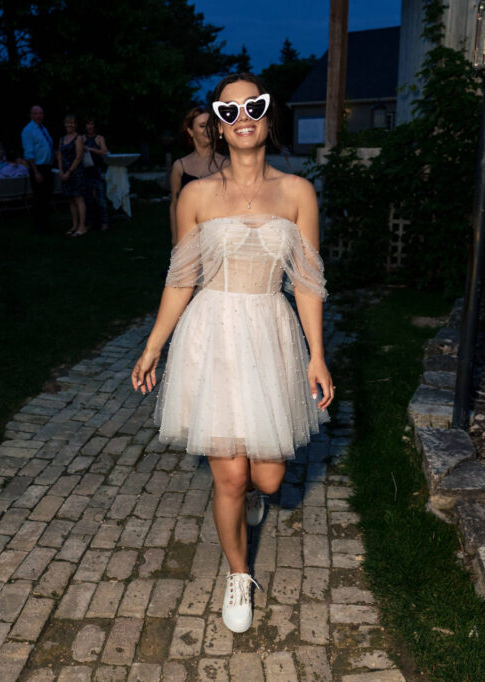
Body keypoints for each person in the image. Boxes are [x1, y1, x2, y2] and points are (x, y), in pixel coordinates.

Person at [130, 73, 334, 634]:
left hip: (269, 333)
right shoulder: (195, 196)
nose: (242, 117)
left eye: (253, 107)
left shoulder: (298, 192)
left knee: (266, 480)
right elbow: (181, 279)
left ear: (269, 116)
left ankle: (250, 498)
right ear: (218, 127)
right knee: (229, 476)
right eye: (228, 111)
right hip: (212, 335)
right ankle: (238, 574)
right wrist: (153, 346)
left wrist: (317, 355)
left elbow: (308, 283)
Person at [168, 106, 228, 245]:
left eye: (211, 125)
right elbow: (174, 205)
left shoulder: (225, 165)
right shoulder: (180, 166)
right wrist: (175, 239)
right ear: (190, 131)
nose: (208, 130)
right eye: (202, 126)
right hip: (188, 237)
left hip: (217, 239)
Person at [21, 105, 55, 233]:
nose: (39, 116)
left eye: (41, 113)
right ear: (31, 115)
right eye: (36, 113)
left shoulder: (43, 128)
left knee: (47, 197)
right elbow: (29, 153)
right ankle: (40, 226)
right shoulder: (28, 130)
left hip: (47, 167)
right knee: (39, 198)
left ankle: (46, 223)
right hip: (37, 168)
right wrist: (36, 172)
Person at [57, 114, 86, 236]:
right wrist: (61, 171)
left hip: (76, 172)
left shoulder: (78, 138)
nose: (69, 125)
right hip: (65, 173)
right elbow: (59, 156)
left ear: (76, 125)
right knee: (71, 200)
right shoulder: (62, 139)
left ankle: (82, 227)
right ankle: (74, 225)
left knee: (78, 198)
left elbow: (79, 157)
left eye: (72, 122)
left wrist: (69, 172)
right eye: (67, 122)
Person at [82, 118, 109, 231]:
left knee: (100, 197)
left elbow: (104, 151)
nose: (90, 126)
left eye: (92, 124)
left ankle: (104, 222)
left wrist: (91, 149)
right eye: (88, 124)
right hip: (85, 171)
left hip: (96, 171)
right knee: (87, 198)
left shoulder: (99, 138)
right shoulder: (82, 138)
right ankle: (90, 222)